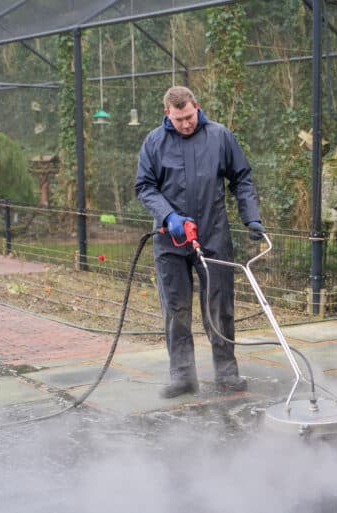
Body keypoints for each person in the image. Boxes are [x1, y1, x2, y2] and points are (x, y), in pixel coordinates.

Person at [135, 86, 265, 398]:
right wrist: (169, 216)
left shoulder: (220, 136)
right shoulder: (154, 142)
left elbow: (241, 178)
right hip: (170, 240)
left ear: (197, 106)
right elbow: (144, 186)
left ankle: (226, 373)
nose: (185, 124)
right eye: (178, 119)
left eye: (189, 117)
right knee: (176, 309)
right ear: (167, 113)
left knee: (220, 306)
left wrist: (251, 217)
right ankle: (182, 377)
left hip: (213, 235)